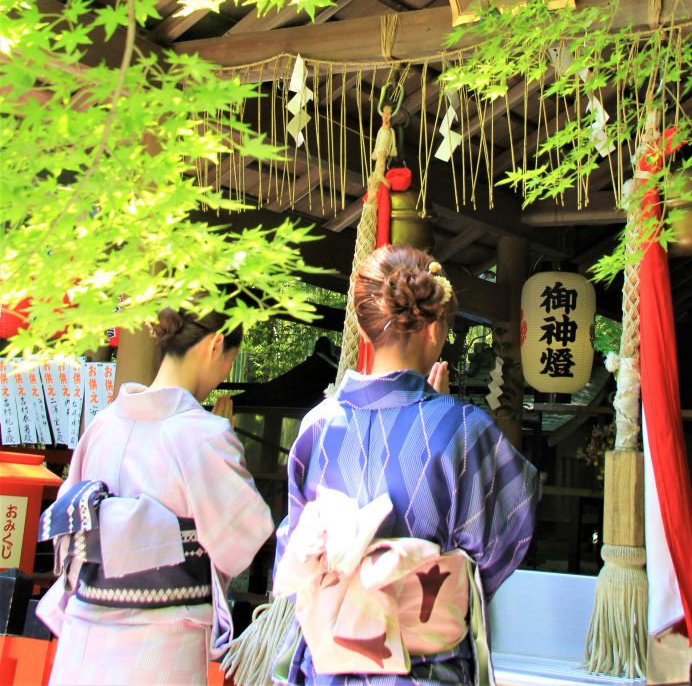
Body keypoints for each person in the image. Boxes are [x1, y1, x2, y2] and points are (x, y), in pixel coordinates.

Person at [273, 244, 540, 686]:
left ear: (363, 326)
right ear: (434, 328)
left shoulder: (318, 427)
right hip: (424, 671)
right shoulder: (463, 430)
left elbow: (295, 547)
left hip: (330, 664)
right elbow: (504, 538)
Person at [37, 304, 275, 686]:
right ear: (215, 345)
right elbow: (243, 541)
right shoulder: (205, 436)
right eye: (230, 359)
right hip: (160, 649)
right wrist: (223, 443)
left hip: (80, 643)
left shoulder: (101, 425)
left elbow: (69, 539)